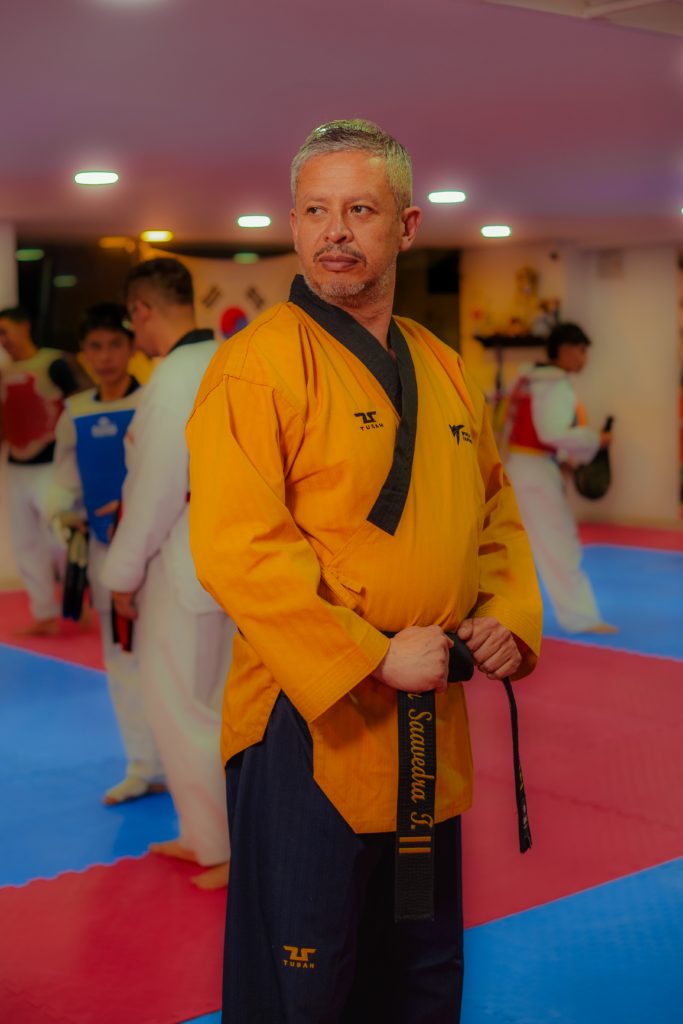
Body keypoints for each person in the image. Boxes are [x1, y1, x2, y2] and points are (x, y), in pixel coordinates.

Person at [187, 119, 543, 1023]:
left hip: (428, 717)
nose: (334, 232)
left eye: (360, 210)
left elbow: (494, 511)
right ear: (292, 224)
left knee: (417, 968)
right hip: (309, 718)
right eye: (315, 211)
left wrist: (506, 618)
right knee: (306, 977)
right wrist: (372, 655)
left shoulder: (442, 365)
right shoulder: (256, 365)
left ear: (406, 225)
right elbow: (237, 548)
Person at [100, 259, 234, 890]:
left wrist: (120, 576)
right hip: (237, 559)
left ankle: (219, 845)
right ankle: (211, 836)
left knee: (179, 706)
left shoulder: (173, 376)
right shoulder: (230, 357)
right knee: (219, 703)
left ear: (142, 310)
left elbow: (155, 491)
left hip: (183, 562)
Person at [47, 303, 166, 805]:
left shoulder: (156, 400)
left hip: (161, 553)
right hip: (103, 551)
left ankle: (189, 766)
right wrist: (65, 513)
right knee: (121, 662)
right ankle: (144, 766)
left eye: (115, 344)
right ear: (83, 353)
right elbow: (63, 484)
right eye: (95, 347)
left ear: (132, 346)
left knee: (175, 662)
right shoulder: (74, 412)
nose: (106, 356)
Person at [505, 322, 616, 634]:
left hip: (517, 466)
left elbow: (521, 427)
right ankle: (581, 618)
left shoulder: (527, 378)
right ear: (565, 350)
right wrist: (596, 439)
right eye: (581, 350)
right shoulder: (554, 384)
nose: (585, 358)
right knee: (559, 542)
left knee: (513, 548)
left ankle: (503, 615)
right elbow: (552, 432)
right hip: (535, 474)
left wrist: (563, 458)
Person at [0, 306, 78, 634]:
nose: (2, 340)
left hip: (52, 466)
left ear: (24, 327)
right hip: (16, 467)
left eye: (4, 331)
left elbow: (79, 405)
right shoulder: (3, 374)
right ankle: (45, 613)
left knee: (63, 539)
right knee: (26, 543)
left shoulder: (54, 363)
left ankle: (77, 607)